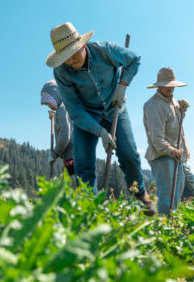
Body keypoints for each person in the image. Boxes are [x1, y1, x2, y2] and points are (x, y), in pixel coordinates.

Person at [46, 21, 156, 215]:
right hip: (86, 116)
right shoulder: (61, 73)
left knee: (129, 155)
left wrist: (122, 86)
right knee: (83, 164)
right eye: (65, 58)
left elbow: (134, 60)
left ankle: (141, 196)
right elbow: (75, 110)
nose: (70, 61)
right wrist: (101, 132)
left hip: (115, 108)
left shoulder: (105, 50)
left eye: (73, 53)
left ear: (83, 45)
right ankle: (90, 211)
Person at [143, 67, 190, 216]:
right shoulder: (154, 105)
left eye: (172, 85)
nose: (170, 88)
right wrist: (171, 150)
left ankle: (171, 225)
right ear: (159, 86)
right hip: (162, 155)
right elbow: (156, 138)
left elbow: (175, 125)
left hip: (175, 154)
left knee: (175, 195)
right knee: (167, 196)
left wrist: (182, 111)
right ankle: (162, 229)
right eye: (166, 84)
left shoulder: (172, 101)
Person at [40, 79, 76, 186]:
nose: (50, 106)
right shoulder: (65, 108)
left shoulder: (63, 109)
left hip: (73, 156)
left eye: (50, 102)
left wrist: (55, 153)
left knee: (73, 185)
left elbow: (65, 135)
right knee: (73, 184)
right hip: (71, 156)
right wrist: (55, 117)